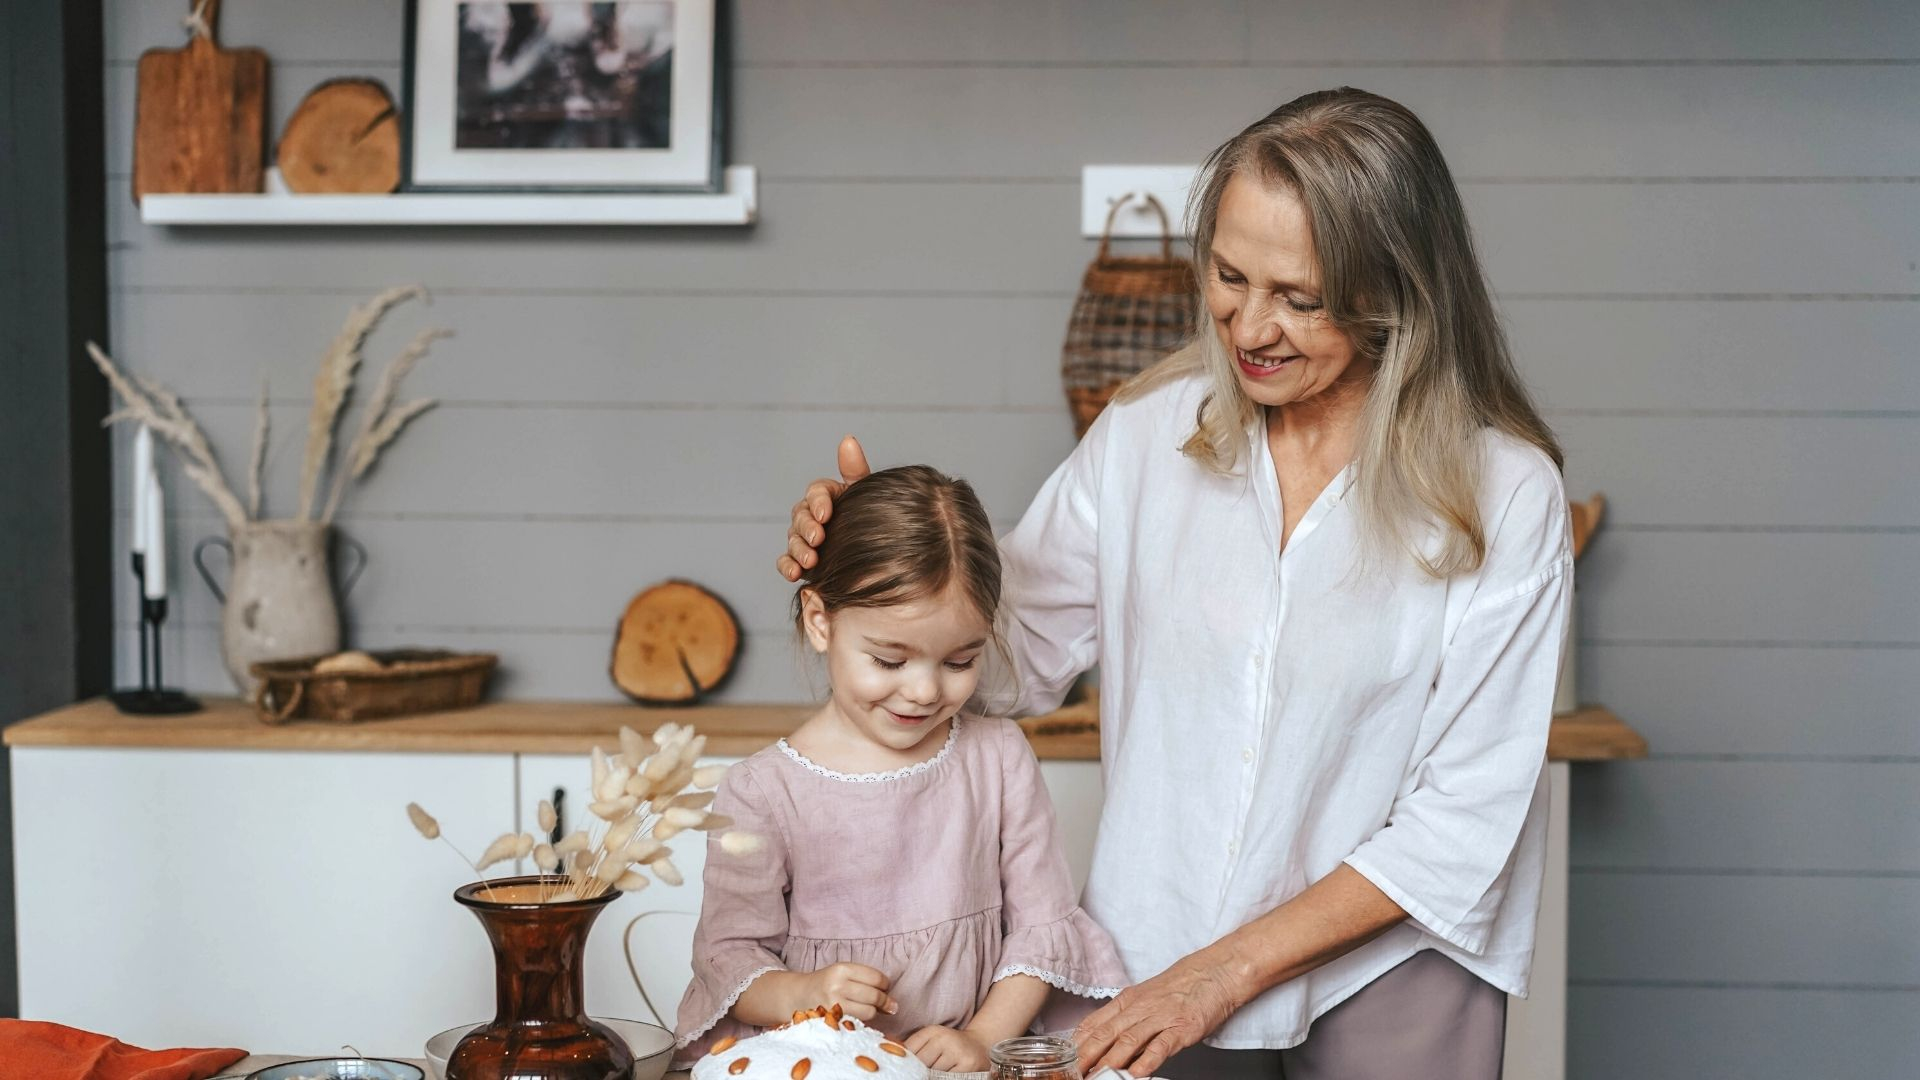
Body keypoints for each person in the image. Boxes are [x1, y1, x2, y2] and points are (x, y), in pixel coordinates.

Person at [779, 88, 1572, 1080]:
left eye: (1300, 296)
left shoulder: (1505, 494)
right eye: (1228, 276)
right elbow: (1009, 660)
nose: (1248, 325)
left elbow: (1464, 817)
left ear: (1398, 290)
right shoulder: (1148, 435)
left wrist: (1221, 975)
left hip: (1392, 966)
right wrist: (880, 574)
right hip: (1149, 946)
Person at [675, 465, 1129, 1074]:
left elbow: (1041, 930)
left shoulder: (997, 757)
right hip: (826, 1060)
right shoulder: (762, 790)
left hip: (969, 1060)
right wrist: (805, 994)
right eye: (889, 660)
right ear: (820, 621)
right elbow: (729, 961)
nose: (923, 691)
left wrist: (984, 1037)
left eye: (959, 660)